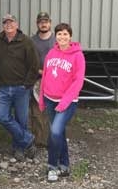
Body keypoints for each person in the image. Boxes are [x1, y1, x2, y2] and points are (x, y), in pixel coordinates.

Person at [38, 23, 85, 182]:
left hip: (67, 102)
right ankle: (65, 165)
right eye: (59, 34)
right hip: (50, 100)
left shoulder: (77, 55)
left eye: (65, 34)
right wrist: (42, 99)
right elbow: (45, 77)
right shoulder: (51, 53)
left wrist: (64, 103)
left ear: (70, 36)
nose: (62, 37)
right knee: (60, 133)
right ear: (55, 36)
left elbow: (78, 82)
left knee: (55, 132)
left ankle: (52, 166)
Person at [0, 14, 39, 161]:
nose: (8, 25)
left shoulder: (26, 41)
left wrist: (27, 84)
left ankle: (19, 149)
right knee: (1, 117)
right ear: (3, 26)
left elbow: (34, 65)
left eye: (11, 22)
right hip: (4, 87)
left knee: (21, 120)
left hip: (21, 88)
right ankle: (28, 139)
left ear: (17, 24)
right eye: (6, 23)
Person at [30, 12, 56, 146]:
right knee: (36, 112)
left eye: (46, 21)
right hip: (37, 81)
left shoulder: (57, 40)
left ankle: (52, 140)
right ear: (37, 23)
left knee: (53, 111)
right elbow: (27, 61)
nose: (43, 24)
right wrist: (40, 71)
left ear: (50, 23)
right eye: (41, 21)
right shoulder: (32, 40)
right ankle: (38, 140)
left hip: (55, 81)